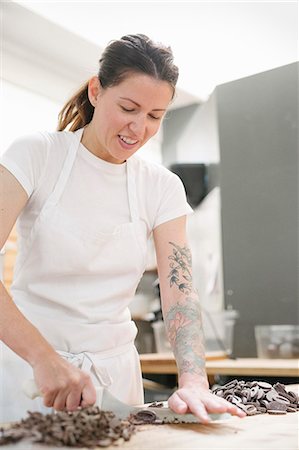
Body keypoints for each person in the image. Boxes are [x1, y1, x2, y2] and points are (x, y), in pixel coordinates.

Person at [0, 34, 245, 423]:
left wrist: (194, 379)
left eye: (154, 116)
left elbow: (179, 289)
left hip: (115, 378)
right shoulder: (38, 154)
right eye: (128, 108)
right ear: (96, 90)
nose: (138, 128)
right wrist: (43, 358)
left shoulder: (161, 186)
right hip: (31, 373)